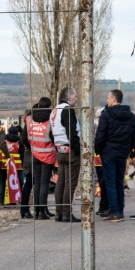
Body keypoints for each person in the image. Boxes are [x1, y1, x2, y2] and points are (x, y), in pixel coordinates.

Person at [94, 89, 135, 222]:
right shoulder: (130, 116)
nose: (107, 100)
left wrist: (98, 150)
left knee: (110, 183)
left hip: (108, 153)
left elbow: (100, 135)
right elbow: (134, 136)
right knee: (119, 182)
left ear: (114, 99)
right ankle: (120, 210)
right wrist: (127, 150)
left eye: (108, 98)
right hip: (122, 153)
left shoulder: (107, 115)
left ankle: (114, 211)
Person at [50, 86, 81, 223]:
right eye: (75, 96)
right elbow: (72, 132)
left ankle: (59, 213)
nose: (76, 98)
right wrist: (78, 149)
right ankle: (67, 213)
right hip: (70, 151)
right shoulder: (68, 110)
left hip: (59, 150)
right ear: (69, 96)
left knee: (60, 183)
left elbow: (51, 132)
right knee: (70, 184)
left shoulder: (55, 111)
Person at [27, 97, 56, 220]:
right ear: (49, 106)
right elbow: (54, 137)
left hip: (34, 154)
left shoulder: (29, 119)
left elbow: (24, 136)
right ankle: (42, 211)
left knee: (37, 183)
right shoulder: (51, 120)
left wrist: (32, 147)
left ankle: (37, 211)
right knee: (44, 183)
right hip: (48, 155)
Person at [94, 108, 109, 217]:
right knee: (101, 184)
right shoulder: (97, 129)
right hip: (97, 162)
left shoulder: (104, 128)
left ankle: (104, 207)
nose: (99, 119)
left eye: (100, 117)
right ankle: (103, 207)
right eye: (98, 117)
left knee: (104, 184)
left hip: (103, 161)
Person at [20, 109, 33, 218]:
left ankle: (24, 209)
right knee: (30, 183)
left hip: (28, 154)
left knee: (28, 183)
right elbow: (24, 138)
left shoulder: (27, 122)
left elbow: (24, 139)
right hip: (32, 154)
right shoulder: (32, 122)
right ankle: (25, 209)